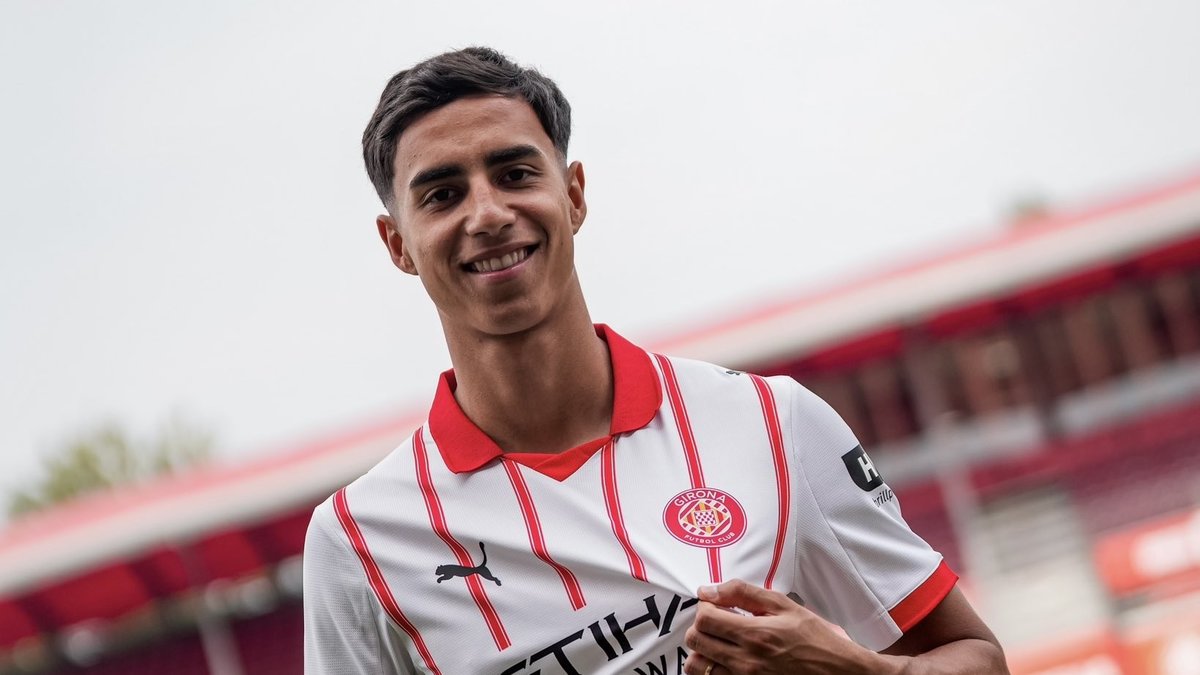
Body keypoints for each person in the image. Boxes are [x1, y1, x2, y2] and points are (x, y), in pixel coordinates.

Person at [303, 46, 1008, 675]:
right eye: (442, 195)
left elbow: (977, 657)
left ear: (573, 196)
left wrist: (857, 674)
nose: (486, 213)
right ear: (398, 244)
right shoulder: (358, 541)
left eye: (515, 173)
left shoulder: (771, 421)